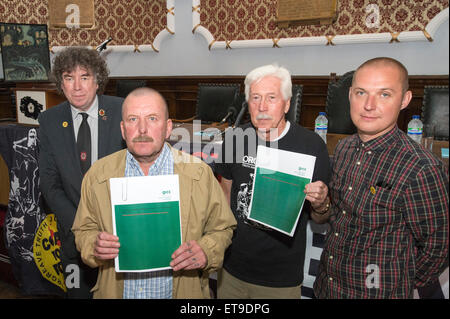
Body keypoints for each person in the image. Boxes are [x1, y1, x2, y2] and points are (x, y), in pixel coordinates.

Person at [71, 87, 237, 299]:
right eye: (133, 119)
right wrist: (94, 244)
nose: (142, 129)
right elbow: (83, 229)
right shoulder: (98, 174)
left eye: (152, 118)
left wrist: (206, 250)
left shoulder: (199, 174)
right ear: (123, 130)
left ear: (168, 128)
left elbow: (223, 227)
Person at [314, 57, 449, 298]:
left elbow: (439, 247)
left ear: (405, 100)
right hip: (328, 286)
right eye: (361, 93)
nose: (369, 105)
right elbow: (338, 217)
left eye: (384, 94)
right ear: (349, 95)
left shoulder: (421, 167)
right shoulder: (344, 149)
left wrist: (398, 279)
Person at [214, 64, 330, 298]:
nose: (262, 107)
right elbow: (225, 193)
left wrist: (320, 203)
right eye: (255, 98)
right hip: (232, 268)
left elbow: (322, 217)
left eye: (271, 98)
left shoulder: (311, 146)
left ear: (287, 103)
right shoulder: (235, 139)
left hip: (280, 277)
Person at [38, 47, 125, 298]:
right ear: (61, 84)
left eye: (84, 77)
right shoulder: (48, 121)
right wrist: (83, 228)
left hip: (119, 238)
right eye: (68, 77)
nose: (77, 86)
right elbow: (50, 185)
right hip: (74, 239)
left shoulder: (122, 110)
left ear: (98, 81)